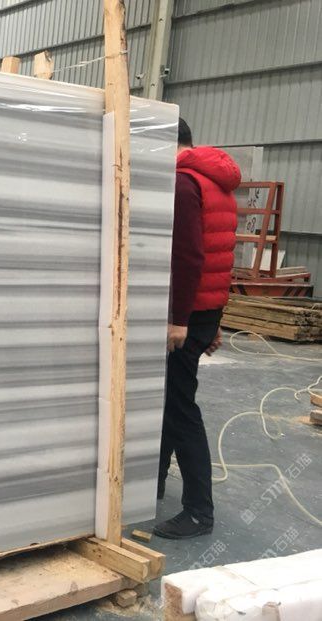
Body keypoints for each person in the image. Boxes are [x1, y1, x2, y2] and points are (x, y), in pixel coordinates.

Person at [154, 118, 240, 539]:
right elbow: (222, 251)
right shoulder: (216, 181)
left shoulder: (183, 182)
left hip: (186, 313)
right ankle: (153, 482)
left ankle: (198, 512)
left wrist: (179, 320)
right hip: (204, 310)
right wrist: (213, 321)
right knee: (169, 398)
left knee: (179, 407)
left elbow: (188, 256)